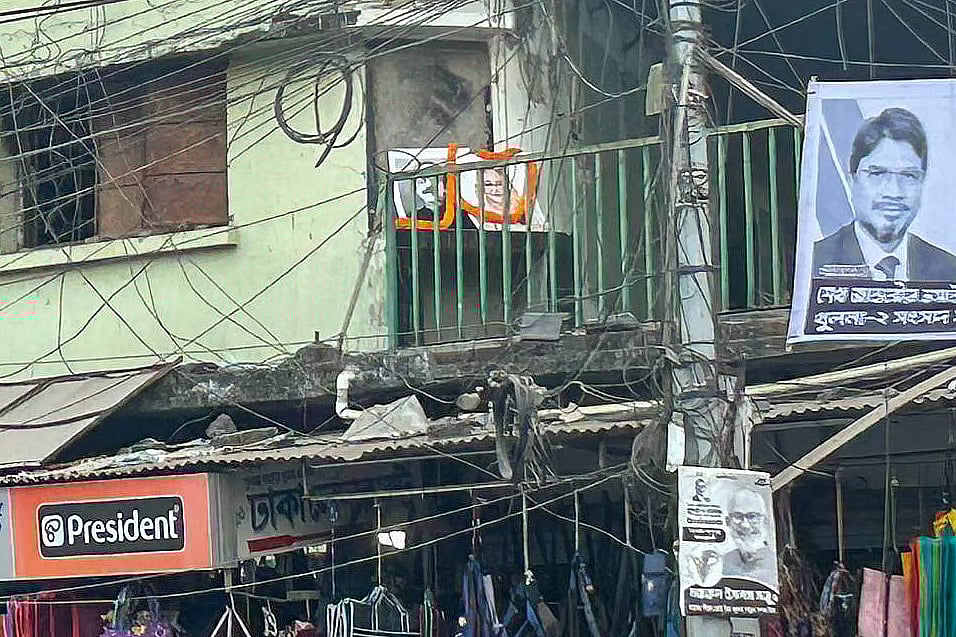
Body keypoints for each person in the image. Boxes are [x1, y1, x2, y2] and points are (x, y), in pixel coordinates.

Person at [812, 107, 956, 282]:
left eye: (908, 175)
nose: (894, 192)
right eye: (877, 173)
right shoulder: (813, 263)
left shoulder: (950, 270)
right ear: (852, 181)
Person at [721, 488, 776, 584]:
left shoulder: (774, 563)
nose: (745, 525)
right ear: (728, 521)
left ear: (765, 521)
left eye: (752, 516)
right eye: (738, 516)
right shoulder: (724, 561)